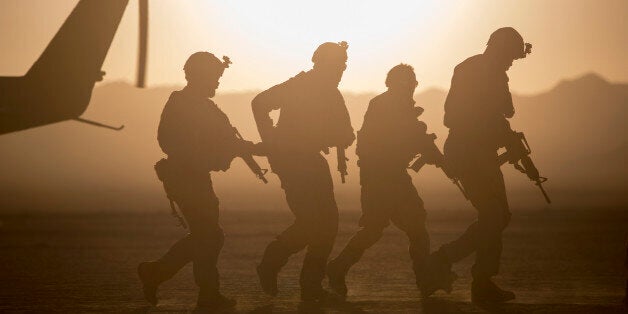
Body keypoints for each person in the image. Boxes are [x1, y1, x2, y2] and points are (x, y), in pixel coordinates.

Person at [137, 52, 259, 311]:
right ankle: (205, 294)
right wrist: (205, 154)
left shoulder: (204, 106)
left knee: (209, 236)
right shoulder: (181, 103)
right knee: (209, 236)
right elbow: (168, 141)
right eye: (214, 77)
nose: (217, 83)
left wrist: (245, 148)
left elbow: (225, 139)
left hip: (196, 178)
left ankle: (159, 274)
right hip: (185, 178)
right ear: (200, 76)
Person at [326, 64, 455, 298]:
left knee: (382, 228)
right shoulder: (389, 106)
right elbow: (406, 135)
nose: (412, 87)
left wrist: (429, 150)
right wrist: (437, 157)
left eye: (413, 83)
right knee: (412, 227)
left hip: (385, 176)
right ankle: (424, 279)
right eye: (409, 83)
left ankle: (338, 268)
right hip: (384, 177)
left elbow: (411, 135)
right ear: (398, 84)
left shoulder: (391, 105)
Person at [424, 27, 532, 304]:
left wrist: (502, 136)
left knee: (496, 216)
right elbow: (468, 116)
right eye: (510, 56)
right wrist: (496, 133)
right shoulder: (482, 72)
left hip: (475, 152)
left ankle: (472, 277)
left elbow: (499, 114)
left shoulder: (478, 70)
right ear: (500, 49)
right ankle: (451, 266)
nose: (511, 63)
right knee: (495, 216)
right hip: (469, 151)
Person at [252, 41, 355, 304]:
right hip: (293, 164)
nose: (342, 69)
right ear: (321, 63)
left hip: (312, 162)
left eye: (344, 64)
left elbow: (346, 132)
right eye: (338, 64)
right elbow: (259, 103)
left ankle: (311, 285)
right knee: (310, 223)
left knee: (328, 224)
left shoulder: (332, 93)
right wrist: (272, 141)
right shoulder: (298, 86)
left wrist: (340, 136)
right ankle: (271, 262)